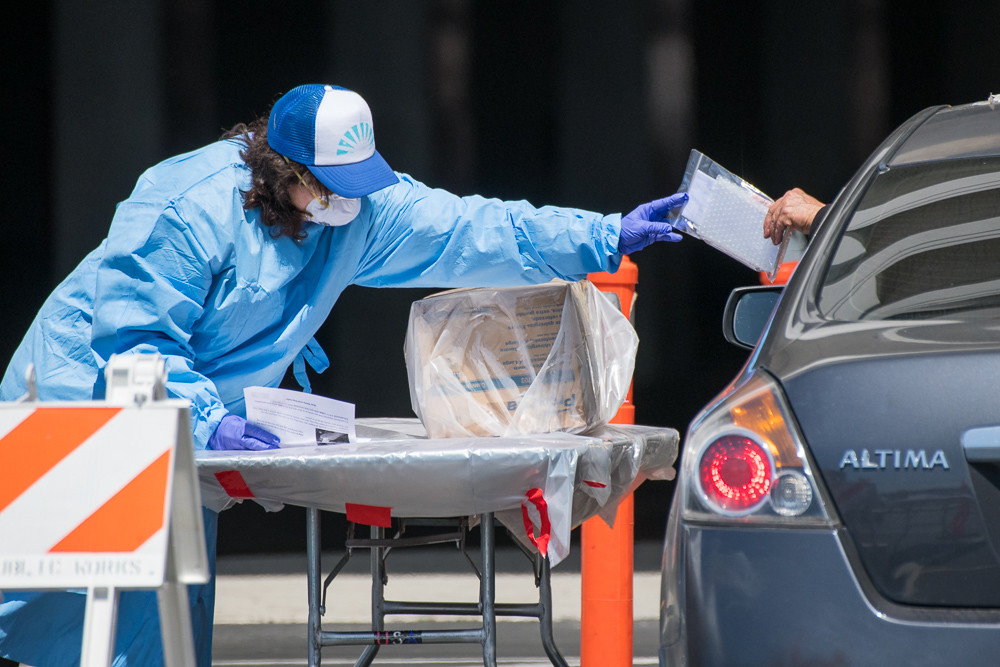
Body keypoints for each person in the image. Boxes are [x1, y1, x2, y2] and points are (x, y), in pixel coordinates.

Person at [0, 83, 688, 667]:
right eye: (331, 188)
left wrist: (600, 235)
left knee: (166, 615)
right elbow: (133, 338)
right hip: (81, 401)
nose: (348, 204)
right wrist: (209, 418)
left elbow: (470, 229)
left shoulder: (357, 211)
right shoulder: (186, 208)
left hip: (183, 428)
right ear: (283, 170)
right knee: (68, 591)